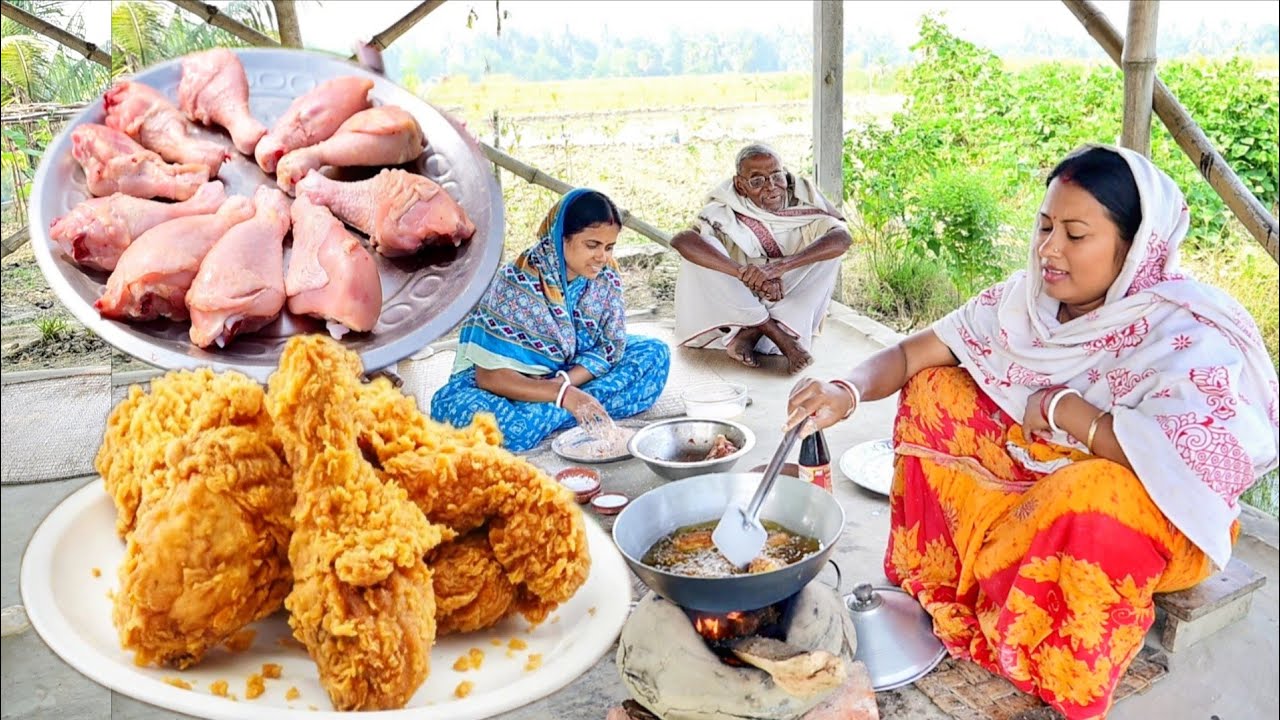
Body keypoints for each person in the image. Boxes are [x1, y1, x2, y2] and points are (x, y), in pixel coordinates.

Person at [786, 145, 1279, 719]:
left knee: (1093, 489)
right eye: (1045, 227)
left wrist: (1071, 411)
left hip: (1144, 521)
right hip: (1041, 473)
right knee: (935, 387)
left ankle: (1052, 654)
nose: (1049, 249)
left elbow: (1191, 466)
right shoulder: (1024, 304)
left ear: (1136, 247)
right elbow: (912, 353)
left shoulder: (1188, 332)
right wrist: (845, 389)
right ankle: (962, 574)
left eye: (1075, 234)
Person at [431, 188, 670, 452]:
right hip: (507, 386)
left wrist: (564, 383)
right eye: (592, 245)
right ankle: (575, 410)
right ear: (560, 237)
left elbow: (609, 347)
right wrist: (563, 395)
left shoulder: (606, 274)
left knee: (655, 354)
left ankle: (565, 410)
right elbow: (488, 378)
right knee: (498, 424)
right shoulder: (517, 282)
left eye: (609, 247)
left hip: (570, 373)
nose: (602, 257)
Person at [671, 143, 851, 373]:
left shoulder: (804, 198)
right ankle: (774, 334)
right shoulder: (724, 209)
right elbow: (682, 240)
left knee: (829, 252)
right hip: (736, 306)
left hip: (787, 301)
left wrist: (780, 267)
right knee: (699, 251)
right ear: (740, 185)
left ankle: (753, 333)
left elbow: (842, 239)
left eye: (776, 176)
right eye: (757, 181)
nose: (771, 187)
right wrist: (743, 274)